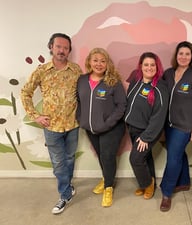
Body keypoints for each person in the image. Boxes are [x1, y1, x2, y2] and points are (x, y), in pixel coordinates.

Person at [21, 33, 82, 214]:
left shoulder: (76, 70)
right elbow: (25, 93)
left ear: (69, 50)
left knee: (70, 158)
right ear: (51, 47)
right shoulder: (41, 71)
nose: (62, 50)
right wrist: (36, 116)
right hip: (52, 127)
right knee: (58, 162)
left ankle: (67, 187)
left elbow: (84, 92)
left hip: (72, 125)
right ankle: (64, 195)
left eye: (65, 48)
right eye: (58, 47)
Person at [160, 41, 192, 212]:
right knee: (178, 154)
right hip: (168, 124)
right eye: (181, 53)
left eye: (187, 54)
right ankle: (183, 182)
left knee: (173, 158)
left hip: (185, 126)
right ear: (176, 56)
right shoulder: (168, 73)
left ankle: (166, 193)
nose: (183, 57)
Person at [76, 48, 126, 207]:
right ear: (89, 62)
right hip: (90, 128)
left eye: (102, 61)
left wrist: (107, 124)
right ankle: (106, 178)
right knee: (100, 155)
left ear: (107, 63)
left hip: (111, 128)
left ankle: (109, 187)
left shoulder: (113, 81)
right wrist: (81, 119)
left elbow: (121, 105)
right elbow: (78, 101)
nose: (99, 64)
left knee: (108, 157)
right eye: (95, 60)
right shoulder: (82, 80)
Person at [125, 52, 169, 200]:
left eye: (152, 65)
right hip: (132, 127)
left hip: (148, 131)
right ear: (141, 66)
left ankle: (147, 184)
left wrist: (146, 137)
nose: (149, 67)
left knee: (136, 159)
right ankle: (148, 184)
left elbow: (159, 116)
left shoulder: (160, 88)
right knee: (145, 157)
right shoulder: (135, 81)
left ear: (157, 67)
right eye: (146, 64)